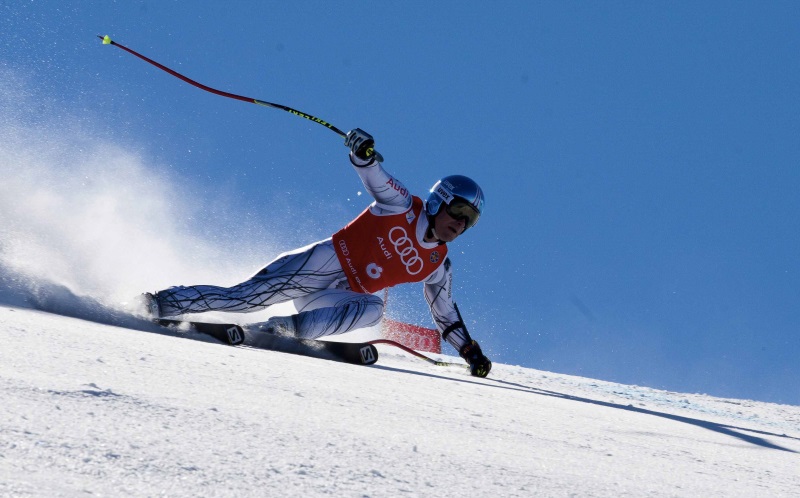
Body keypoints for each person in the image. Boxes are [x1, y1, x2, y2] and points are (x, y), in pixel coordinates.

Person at [143, 129, 492, 377]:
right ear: (438, 201)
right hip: (322, 263)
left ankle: (279, 329)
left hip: (335, 298)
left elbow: (446, 316)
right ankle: (159, 303)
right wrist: (363, 152)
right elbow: (373, 173)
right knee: (244, 298)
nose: (460, 224)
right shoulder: (402, 205)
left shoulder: (438, 266)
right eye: (458, 212)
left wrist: (470, 352)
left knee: (372, 309)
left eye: (469, 221)